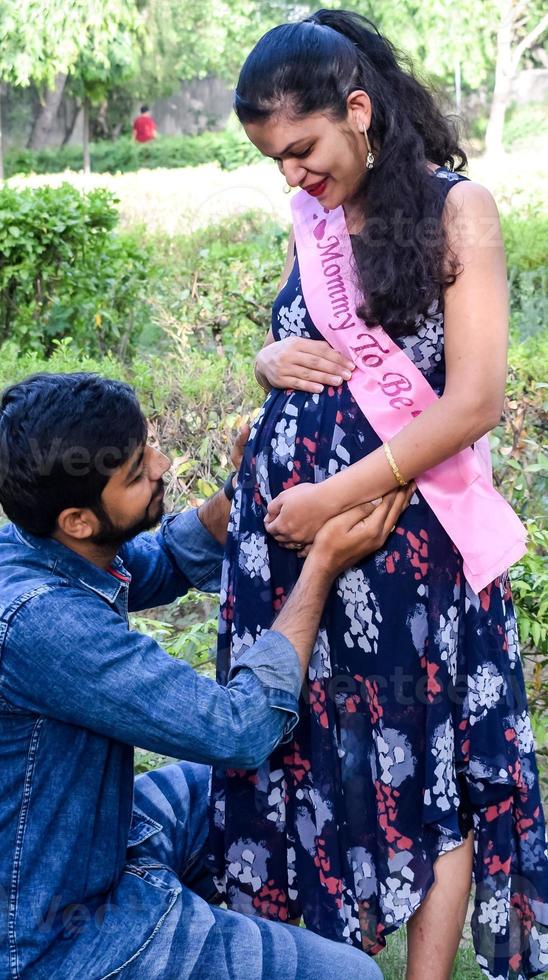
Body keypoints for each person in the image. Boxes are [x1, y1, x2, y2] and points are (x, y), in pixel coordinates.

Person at [208, 8, 548, 980]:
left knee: (420, 767)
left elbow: (474, 397)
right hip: (292, 557)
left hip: (404, 548)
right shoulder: (309, 218)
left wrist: (330, 499)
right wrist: (265, 355)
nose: (291, 174)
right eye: (271, 158)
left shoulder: (457, 210)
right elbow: (293, 346)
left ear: (356, 111)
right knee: (317, 765)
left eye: (303, 148)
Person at [0, 372, 408, 978]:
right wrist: (324, 565)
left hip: (90, 849)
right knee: (351, 977)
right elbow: (238, 729)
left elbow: (165, 560)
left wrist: (240, 493)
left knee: (272, 780)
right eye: (135, 471)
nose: (162, 464)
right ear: (78, 519)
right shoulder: (43, 623)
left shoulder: (32, 547)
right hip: (42, 944)